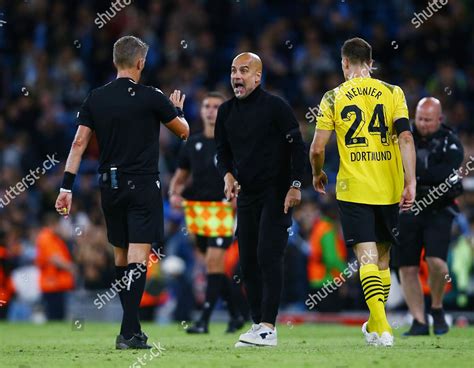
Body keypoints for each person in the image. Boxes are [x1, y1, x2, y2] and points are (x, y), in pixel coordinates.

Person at [54, 35, 189, 349]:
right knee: (138, 259)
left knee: (120, 256)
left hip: (109, 186)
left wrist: (66, 187)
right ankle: (129, 331)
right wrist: (178, 111)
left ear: (116, 61)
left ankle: (131, 329)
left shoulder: (95, 98)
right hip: (142, 185)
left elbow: (77, 144)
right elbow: (183, 132)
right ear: (140, 62)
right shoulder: (152, 96)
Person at [310, 37, 416, 347]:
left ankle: (381, 328)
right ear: (369, 62)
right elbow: (406, 138)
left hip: (354, 188)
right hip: (389, 187)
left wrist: (317, 172)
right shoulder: (394, 92)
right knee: (382, 260)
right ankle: (377, 324)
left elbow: (317, 147)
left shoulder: (332, 97)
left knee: (366, 259)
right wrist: (410, 182)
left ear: (344, 63)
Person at [215, 52, 306, 347]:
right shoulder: (226, 112)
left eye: (244, 70)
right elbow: (222, 152)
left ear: (258, 76)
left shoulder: (276, 106)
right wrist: (228, 175)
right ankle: (258, 325)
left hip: (277, 192)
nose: (236, 76)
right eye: (232, 70)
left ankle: (269, 326)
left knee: (268, 254)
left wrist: (295, 185)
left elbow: (297, 148)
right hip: (247, 194)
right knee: (247, 262)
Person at [169, 91, 244, 334]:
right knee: (214, 267)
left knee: (213, 262)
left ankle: (204, 321)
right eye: (207, 106)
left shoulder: (233, 142)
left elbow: (245, 176)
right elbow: (179, 178)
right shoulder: (193, 142)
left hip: (223, 210)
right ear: (201, 111)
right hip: (199, 213)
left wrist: (238, 197)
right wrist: (174, 195)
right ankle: (236, 315)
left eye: (215, 106)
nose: (211, 110)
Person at [395, 97, 464, 336]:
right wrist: (424, 177)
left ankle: (436, 306)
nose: (423, 124)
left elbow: (446, 174)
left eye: (428, 119)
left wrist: (415, 176)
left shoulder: (451, 143)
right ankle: (419, 320)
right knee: (406, 267)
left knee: (437, 263)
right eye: (420, 118)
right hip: (408, 209)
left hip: (439, 210)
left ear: (440, 119)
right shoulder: (404, 137)